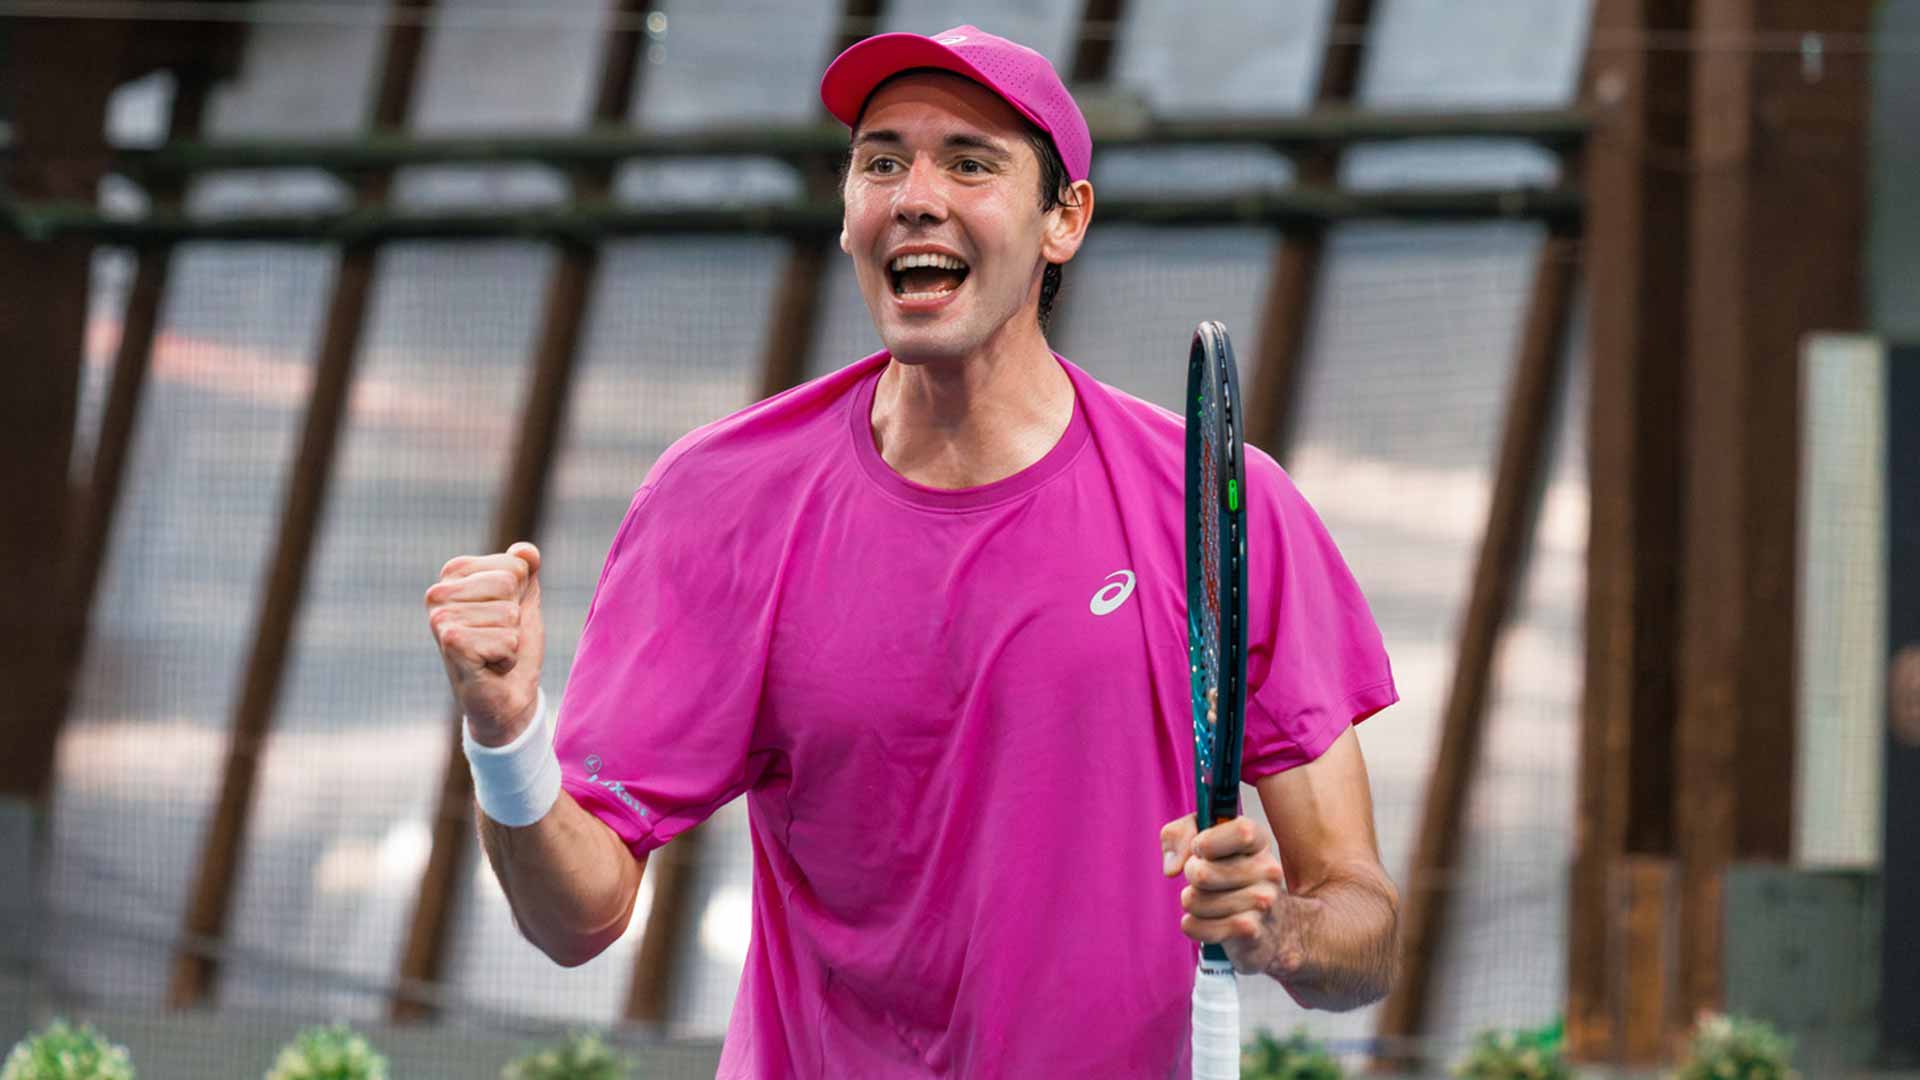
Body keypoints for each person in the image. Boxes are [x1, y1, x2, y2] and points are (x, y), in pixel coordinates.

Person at [426, 25, 1400, 1077]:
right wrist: (506, 733)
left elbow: (1364, 926)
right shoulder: (724, 501)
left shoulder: (1217, 506)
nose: (914, 196)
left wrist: (1277, 930)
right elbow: (575, 917)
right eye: (881, 160)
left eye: (970, 163)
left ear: (1063, 219)